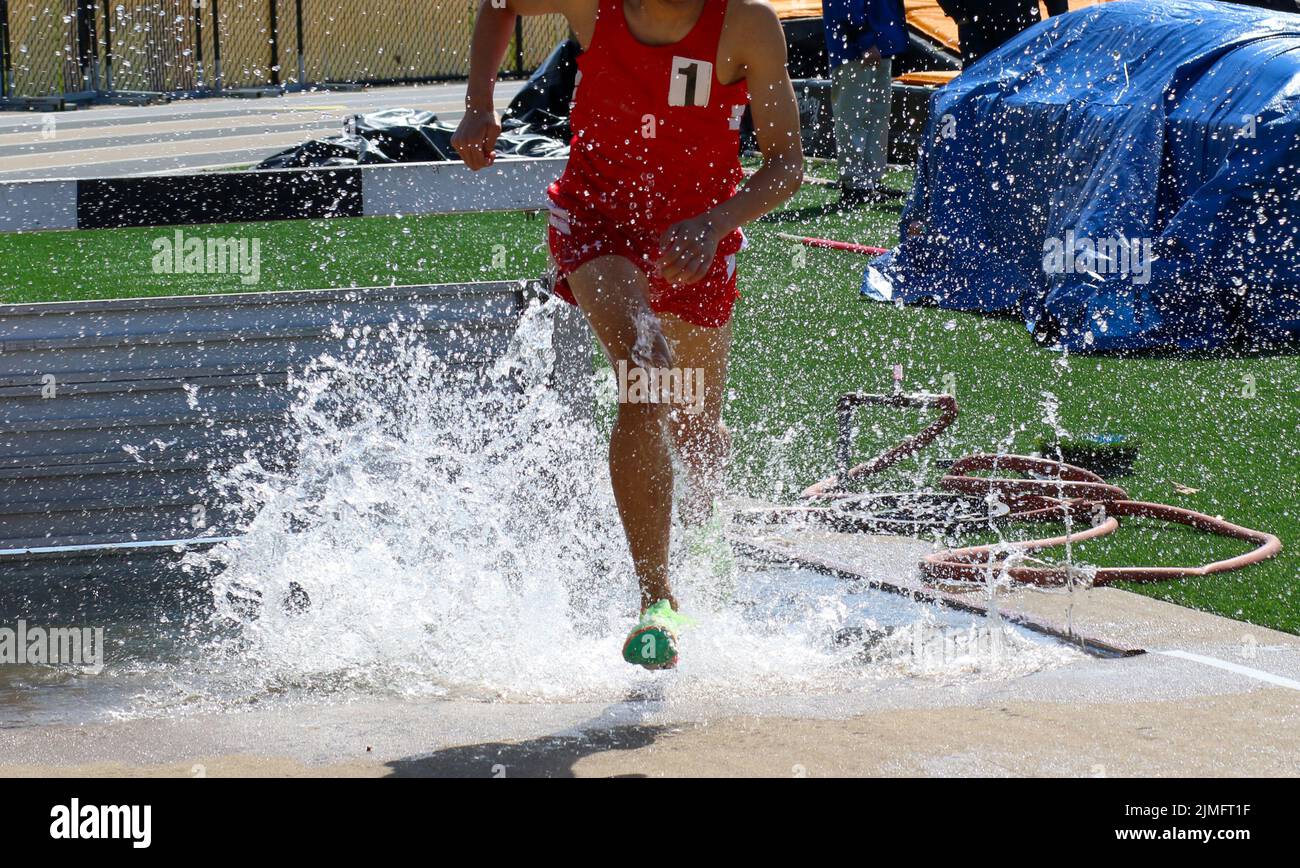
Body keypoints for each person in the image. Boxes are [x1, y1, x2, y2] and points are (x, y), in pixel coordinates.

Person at [452, 0, 803, 669]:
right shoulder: (596, 5)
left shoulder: (746, 24)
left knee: (698, 428)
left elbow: (787, 165)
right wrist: (479, 104)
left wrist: (714, 224)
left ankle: (707, 533)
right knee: (648, 376)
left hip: (697, 233)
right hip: (598, 222)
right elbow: (499, 5)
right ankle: (656, 598)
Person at [821, 0, 907, 207]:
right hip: (855, 49)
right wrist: (864, 40)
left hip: (877, 43)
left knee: (877, 116)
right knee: (854, 118)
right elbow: (844, 6)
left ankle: (869, 180)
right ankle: (854, 184)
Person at [938, 0, 1064, 66]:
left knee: (1025, 77)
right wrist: (958, 14)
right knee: (977, 82)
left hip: (1023, 24)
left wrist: (1060, 18)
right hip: (976, 27)